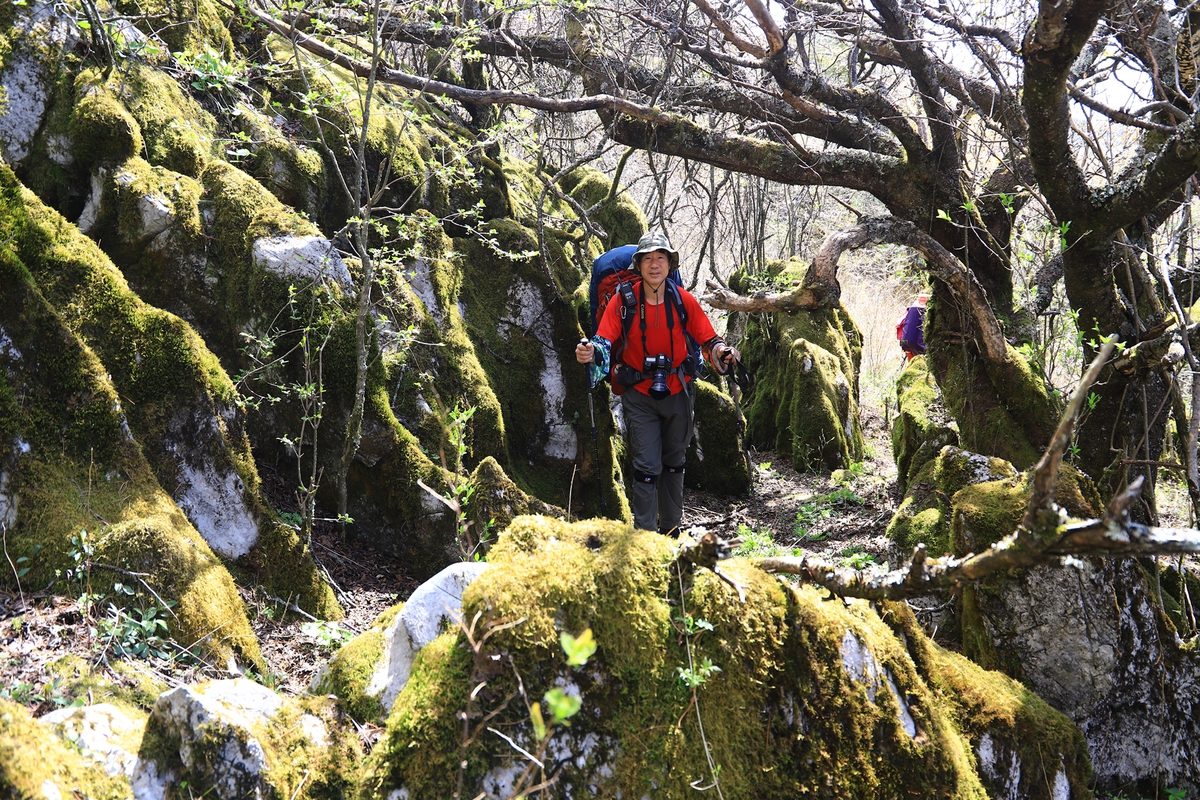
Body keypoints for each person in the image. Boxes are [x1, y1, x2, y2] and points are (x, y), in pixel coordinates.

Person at [575, 232, 740, 535]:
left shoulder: (683, 300)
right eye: (648, 259)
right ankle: (646, 537)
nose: (654, 265)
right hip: (639, 394)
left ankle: (672, 530)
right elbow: (603, 341)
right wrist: (589, 353)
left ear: (669, 264)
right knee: (647, 466)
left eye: (660, 258)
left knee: (675, 462)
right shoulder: (622, 301)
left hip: (679, 391)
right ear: (638, 265)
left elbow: (708, 339)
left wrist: (722, 352)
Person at [896, 292, 929, 360]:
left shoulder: (910, 310)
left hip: (906, 343)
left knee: (912, 361)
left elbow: (899, 324)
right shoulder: (928, 311)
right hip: (922, 345)